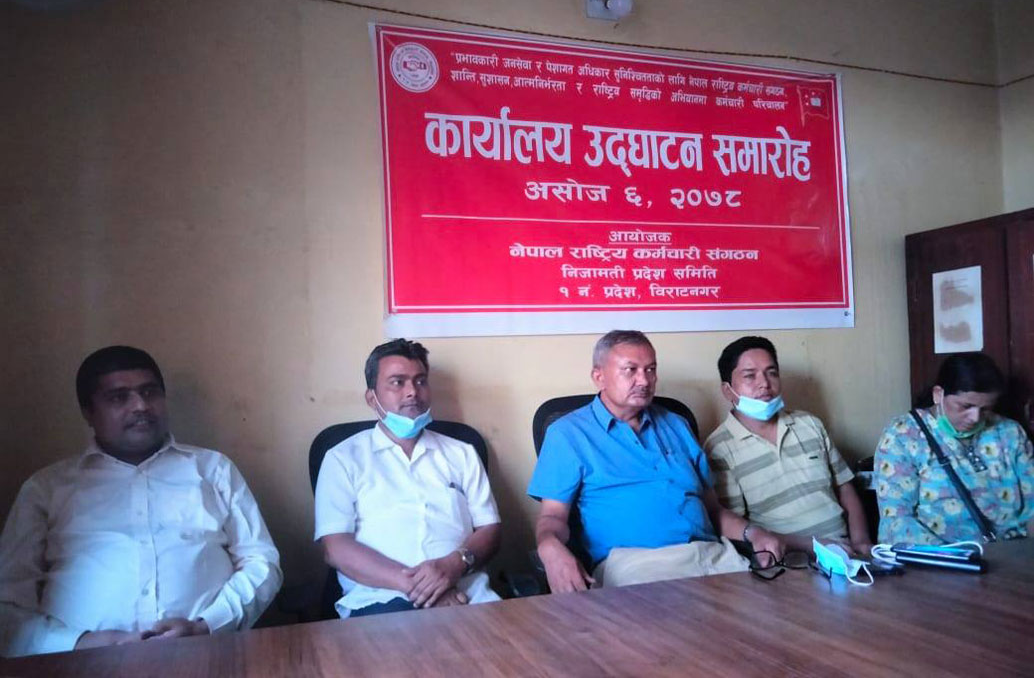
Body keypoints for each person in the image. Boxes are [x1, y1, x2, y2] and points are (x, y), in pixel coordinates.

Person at [0, 346, 282, 658]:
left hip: (208, 654)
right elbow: (8, 601)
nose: (141, 406)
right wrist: (79, 642)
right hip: (79, 665)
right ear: (88, 412)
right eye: (119, 397)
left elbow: (261, 562)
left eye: (150, 392)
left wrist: (206, 626)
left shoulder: (213, 470)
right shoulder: (47, 489)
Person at [528, 330, 786, 592]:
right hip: (639, 566)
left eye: (650, 369)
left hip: (713, 557)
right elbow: (553, 517)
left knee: (775, 604)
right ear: (599, 377)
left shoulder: (677, 425)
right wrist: (549, 547)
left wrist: (752, 533)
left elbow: (713, 510)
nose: (644, 380)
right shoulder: (568, 434)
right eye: (630, 370)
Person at [314, 339, 501, 617]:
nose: (413, 392)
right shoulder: (342, 458)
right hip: (380, 600)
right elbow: (336, 548)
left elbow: (489, 529)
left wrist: (453, 566)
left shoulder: (462, 453)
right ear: (371, 398)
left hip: (466, 594)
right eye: (397, 382)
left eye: (420, 381)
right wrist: (421, 588)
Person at [705, 336, 872, 557]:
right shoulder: (719, 448)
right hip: (786, 561)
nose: (765, 383)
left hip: (846, 552)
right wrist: (815, 545)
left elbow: (844, 487)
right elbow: (741, 529)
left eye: (771, 373)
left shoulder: (810, 424)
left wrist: (862, 542)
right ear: (728, 390)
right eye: (750, 376)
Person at [874, 352, 1034, 545]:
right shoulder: (903, 435)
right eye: (965, 406)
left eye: (985, 409)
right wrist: (952, 556)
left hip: (1015, 551)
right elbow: (897, 521)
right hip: (943, 556)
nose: (975, 418)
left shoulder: (1009, 432)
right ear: (938, 394)